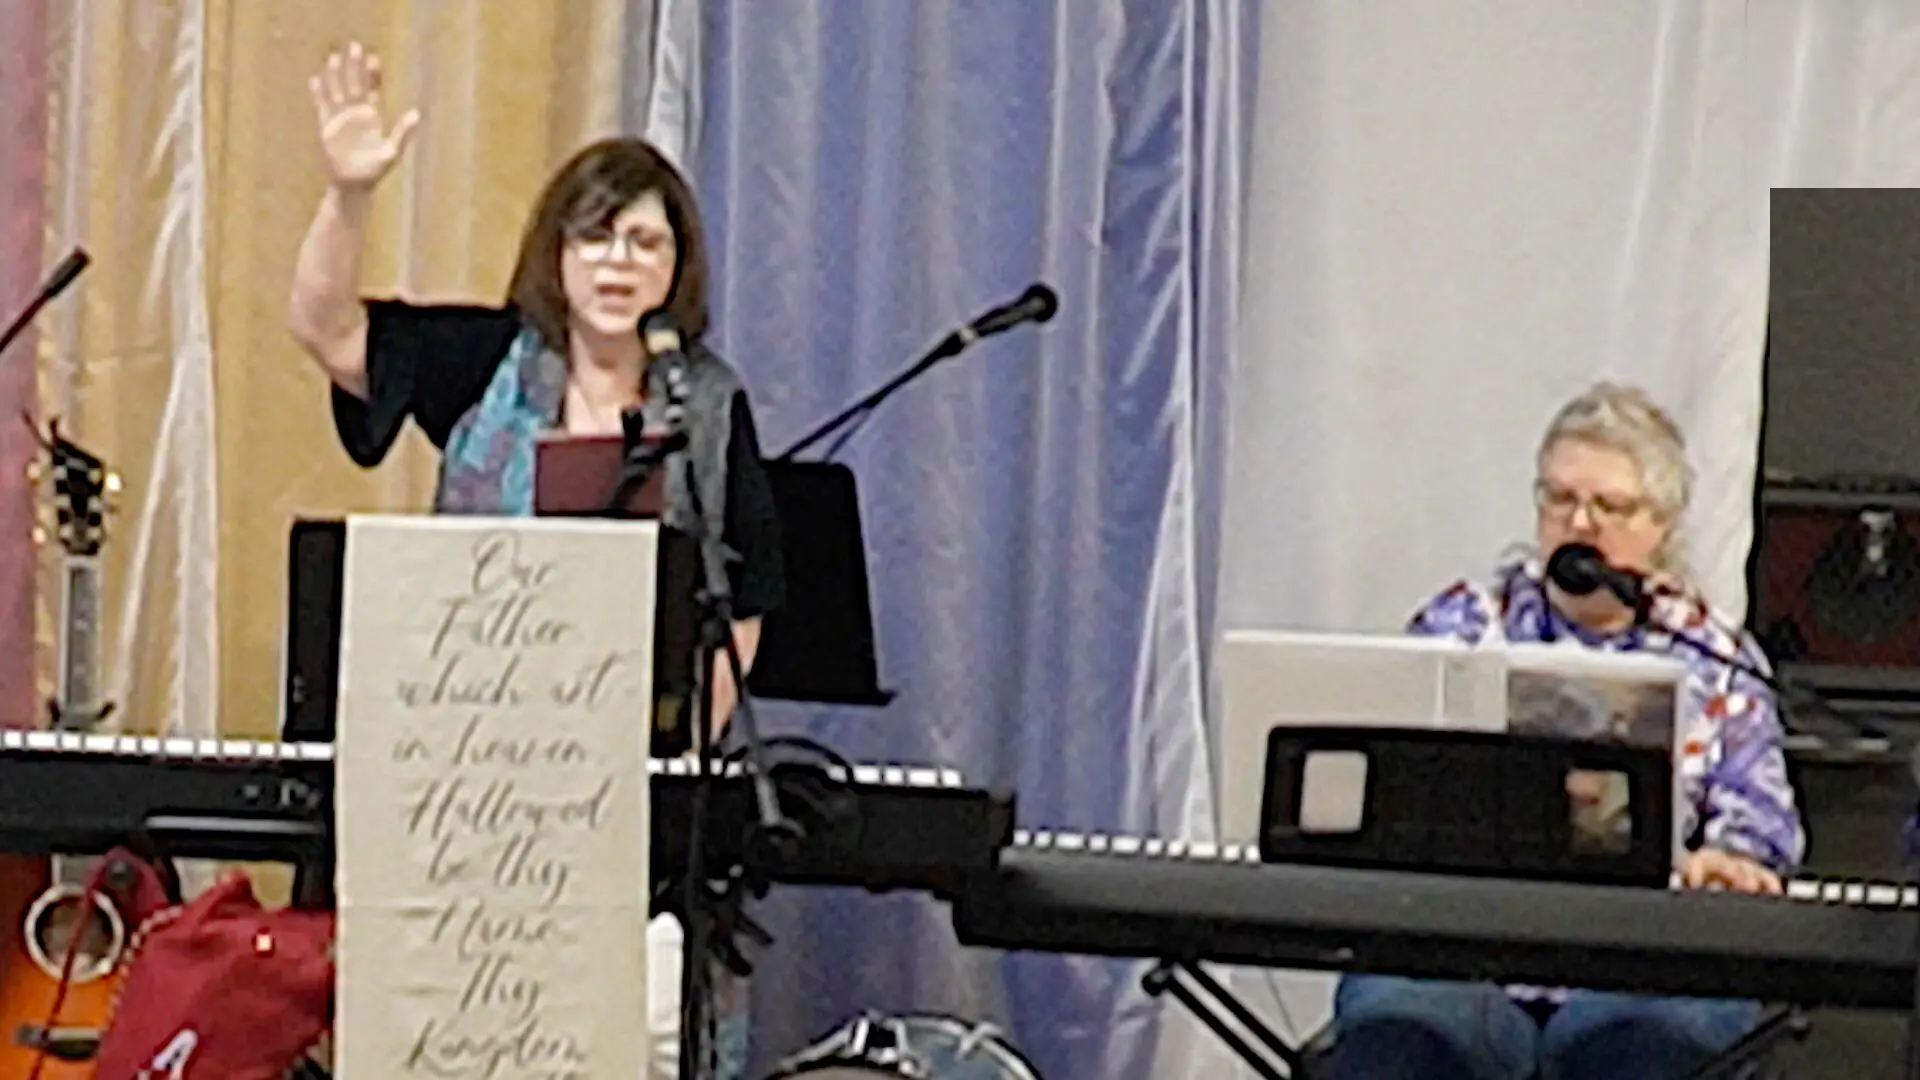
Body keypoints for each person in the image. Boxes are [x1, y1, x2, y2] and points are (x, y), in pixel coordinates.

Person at [286, 43, 779, 1080]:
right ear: (556, 253)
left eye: (645, 243)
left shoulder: (712, 403)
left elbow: (749, 603)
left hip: (633, 798)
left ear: (676, 269)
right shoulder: (483, 363)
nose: (617, 262)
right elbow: (324, 326)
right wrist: (348, 192)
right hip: (468, 783)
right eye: (596, 235)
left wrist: (667, 759)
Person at [1328, 382, 1805, 1080]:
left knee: (1633, 1043)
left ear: (1662, 524)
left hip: (1647, 958)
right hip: (1464, 955)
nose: (1579, 524)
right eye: (1559, 499)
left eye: (1609, 507)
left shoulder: (1718, 658)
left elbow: (1761, 825)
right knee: (1401, 1029)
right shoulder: (1461, 630)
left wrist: (1725, 861)